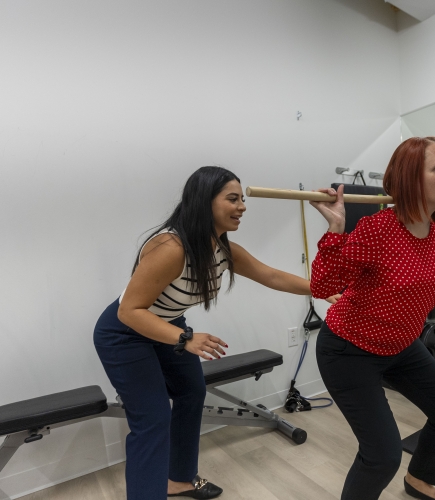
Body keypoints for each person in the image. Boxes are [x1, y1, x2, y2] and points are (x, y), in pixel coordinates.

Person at [94, 166, 337, 500]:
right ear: (204, 202)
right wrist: (185, 339)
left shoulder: (222, 249)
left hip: (168, 325)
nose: (242, 207)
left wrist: (323, 289)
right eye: (232, 199)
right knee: (152, 419)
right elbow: (129, 311)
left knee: (192, 392)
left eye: (242, 199)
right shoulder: (170, 247)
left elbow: (272, 276)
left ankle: (178, 479)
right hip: (125, 333)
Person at [309, 136, 435, 500]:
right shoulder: (376, 230)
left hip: (401, 346)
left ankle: (419, 480)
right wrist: (336, 229)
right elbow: (323, 285)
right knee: (382, 456)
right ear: (410, 179)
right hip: (348, 351)